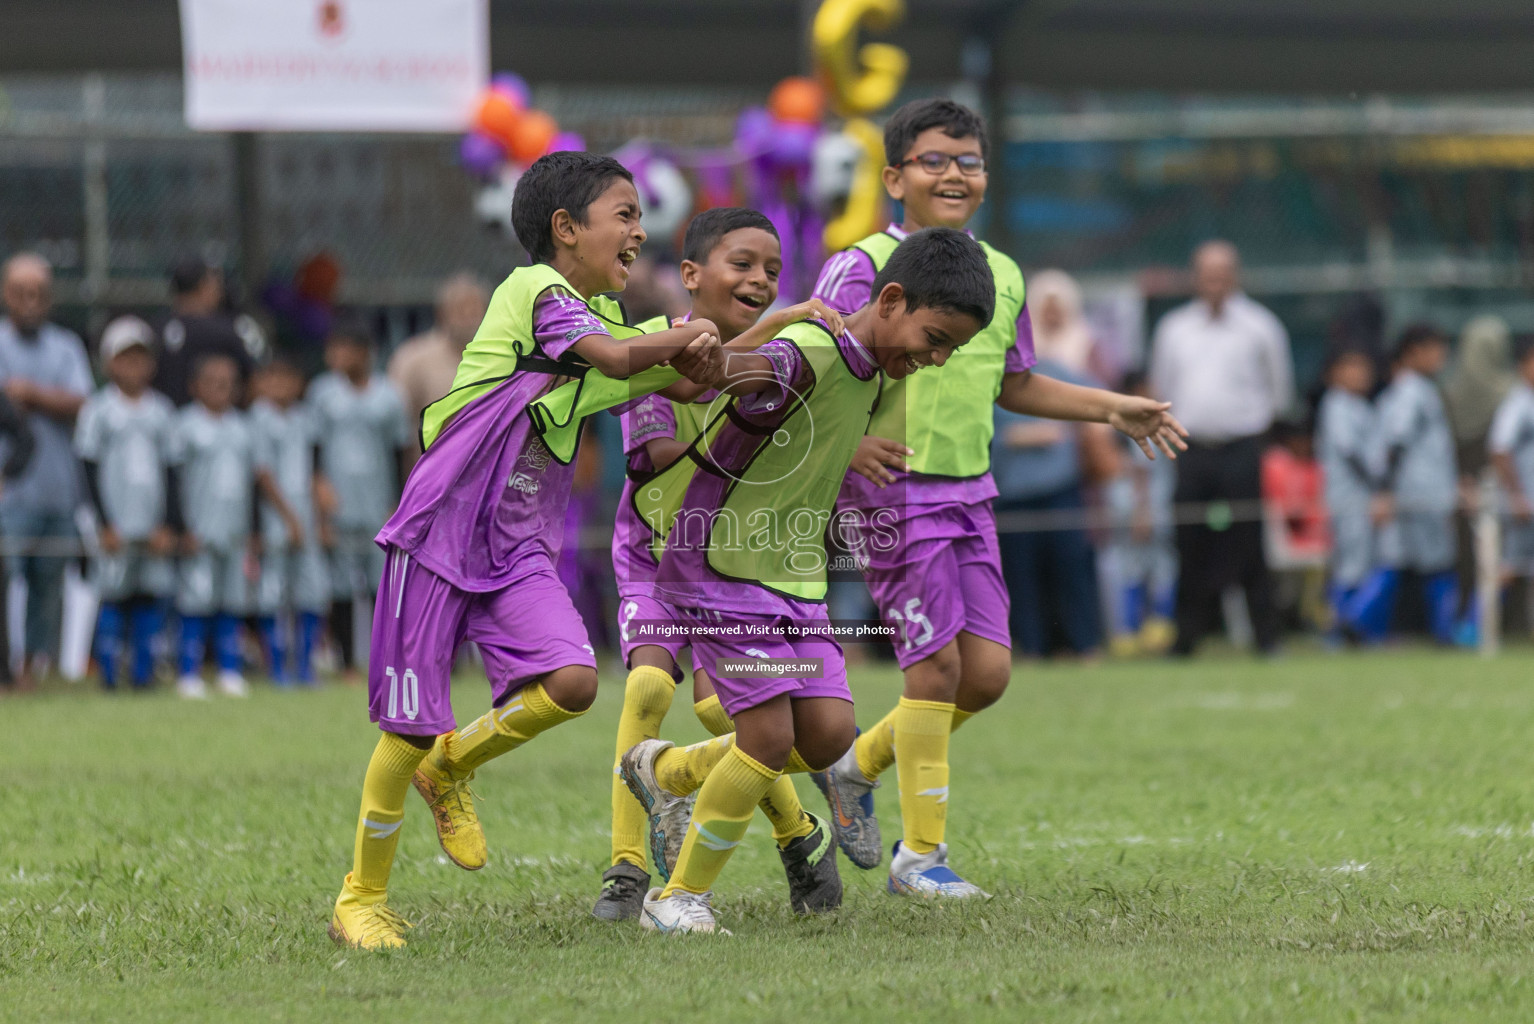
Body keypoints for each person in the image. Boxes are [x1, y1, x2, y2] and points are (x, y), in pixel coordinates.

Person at [326, 151, 723, 951]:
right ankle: (358, 899)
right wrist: (683, 334)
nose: (640, 231)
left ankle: (453, 766)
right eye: (626, 214)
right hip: (438, 532)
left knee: (575, 681)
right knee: (406, 729)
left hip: (513, 549)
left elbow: (685, 382)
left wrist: (792, 336)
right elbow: (626, 360)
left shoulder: (597, 336)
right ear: (566, 229)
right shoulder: (536, 292)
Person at [806, 99, 1185, 898]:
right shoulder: (858, 263)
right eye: (935, 160)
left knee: (987, 675)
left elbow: (1014, 382)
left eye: (968, 161)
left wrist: (1110, 406)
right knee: (935, 667)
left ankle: (856, 765)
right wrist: (845, 450)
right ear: (894, 177)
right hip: (889, 495)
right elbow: (816, 368)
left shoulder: (1001, 273)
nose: (953, 174)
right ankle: (921, 859)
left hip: (972, 493)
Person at [618, 227, 996, 935]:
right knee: (764, 738)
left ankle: (667, 771)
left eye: (952, 349)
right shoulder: (805, 354)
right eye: (935, 337)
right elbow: (704, 375)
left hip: (790, 580)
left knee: (825, 737)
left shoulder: (877, 372)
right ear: (889, 298)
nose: (937, 357)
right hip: (717, 568)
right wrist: (771, 326)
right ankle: (675, 899)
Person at [596, 208, 845, 922]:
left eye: (772, 270)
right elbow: (671, 445)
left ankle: (791, 829)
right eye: (742, 264)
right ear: (692, 275)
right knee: (648, 686)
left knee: (719, 709)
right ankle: (627, 869)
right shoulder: (656, 345)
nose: (760, 280)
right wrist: (776, 332)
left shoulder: (794, 361)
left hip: (738, 564)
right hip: (656, 554)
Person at [1150, 240, 1293, 657]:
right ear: (1195, 278)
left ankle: (1266, 637)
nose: (1214, 282)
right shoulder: (1174, 329)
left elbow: (1278, 392)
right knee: (1189, 541)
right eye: (1206, 274)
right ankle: (1187, 637)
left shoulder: (1261, 326)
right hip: (1190, 449)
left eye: (1221, 273)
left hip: (1242, 448)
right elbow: (1163, 387)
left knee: (1250, 542)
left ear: (1235, 275)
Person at [173, 354, 297, 699]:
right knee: (195, 602)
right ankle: (189, 674)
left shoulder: (243, 429)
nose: (221, 389)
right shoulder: (185, 426)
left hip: (236, 531)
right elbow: (174, 479)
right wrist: (180, 525)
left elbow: (254, 483)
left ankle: (230, 671)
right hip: (199, 529)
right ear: (195, 386)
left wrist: (255, 530)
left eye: (228, 383)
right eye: (212, 381)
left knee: (232, 602)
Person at [0, 252, 94, 688]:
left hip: (58, 489)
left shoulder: (66, 346)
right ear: (6, 295)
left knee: (50, 588)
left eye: (38, 293)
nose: (29, 301)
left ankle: (43, 669)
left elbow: (82, 404)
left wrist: (32, 395)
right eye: (20, 292)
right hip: (8, 493)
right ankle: (8, 670)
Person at [75, 316, 178, 691]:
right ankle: (107, 674)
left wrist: (168, 523)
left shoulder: (162, 411)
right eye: (124, 358)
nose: (134, 367)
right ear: (108, 363)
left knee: (148, 596)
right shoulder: (98, 410)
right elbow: (87, 468)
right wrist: (103, 524)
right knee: (113, 596)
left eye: (141, 358)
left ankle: (142, 674)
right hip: (114, 525)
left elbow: (171, 470)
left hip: (151, 526)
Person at [991, 356, 1115, 659]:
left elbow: (1098, 401)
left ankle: (1086, 646)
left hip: (1061, 490)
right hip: (1011, 494)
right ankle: (1030, 648)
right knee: (1020, 578)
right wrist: (1010, 437)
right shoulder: (984, 371)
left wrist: (1089, 430)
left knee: (1074, 570)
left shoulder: (1054, 368)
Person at [309, 320, 409, 678]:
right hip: (338, 504)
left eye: (345, 349)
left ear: (365, 353)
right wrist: (318, 485)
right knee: (340, 586)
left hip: (377, 502)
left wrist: (398, 501)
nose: (337, 357)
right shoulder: (323, 394)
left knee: (380, 586)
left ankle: (386, 661)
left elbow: (400, 451)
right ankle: (346, 662)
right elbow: (314, 446)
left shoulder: (389, 396)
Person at [1367, 325, 1462, 643]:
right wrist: (1384, 492)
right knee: (1437, 563)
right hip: (1420, 495)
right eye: (1435, 349)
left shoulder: (1415, 388)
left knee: (1403, 559)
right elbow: (1396, 443)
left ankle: (1357, 623)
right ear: (1413, 352)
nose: (1441, 357)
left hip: (1422, 491)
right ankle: (1445, 632)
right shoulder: (1411, 390)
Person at [250, 359, 327, 686]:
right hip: (276, 520)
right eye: (273, 377)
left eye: (289, 377)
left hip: (306, 518)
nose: (281, 385)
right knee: (273, 591)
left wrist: (319, 517)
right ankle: (278, 667)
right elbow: (262, 475)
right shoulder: (259, 419)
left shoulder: (304, 419)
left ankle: (305, 665)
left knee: (313, 590)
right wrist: (290, 518)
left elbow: (312, 470)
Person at [1099, 371, 1178, 656]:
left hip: (1148, 510)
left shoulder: (1129, 421)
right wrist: (1142, 513)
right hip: (1137, 511)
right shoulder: (1131, 422)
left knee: (1154, 568)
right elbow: (1139, 473)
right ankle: (1131, 634)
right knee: (1137, 569)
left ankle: (1147, 633)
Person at [1315, 347, 1386, 641]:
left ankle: (1355, 630)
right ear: (1334, 374)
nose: (1361, 374)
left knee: (1363, 564)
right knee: (1351, 565)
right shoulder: (1336, 403)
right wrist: (1378, 490)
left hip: (1362, 497)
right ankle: (1338, 632)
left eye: (1364, 367)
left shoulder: (1361, 405)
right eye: (1352, 367)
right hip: (1349, 497)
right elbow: (1351, 452)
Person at [386, 273, 489, 468]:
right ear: (442, 313)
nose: (468, 317)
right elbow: (396, 429)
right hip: (429, 476)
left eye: (474, 309)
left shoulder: (501, 361)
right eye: (460, 309)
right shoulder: (413, 359)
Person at [155, 258, 259, 407]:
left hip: (165, 416)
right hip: (219, 419)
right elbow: (254, 379)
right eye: (214, 282)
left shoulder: (157, 326)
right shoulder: (228, 328)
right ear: (203, 286)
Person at [1489, 336, 1534, 623]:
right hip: (1523, 504)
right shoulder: (1517, 402)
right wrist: (1516, 495)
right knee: (1507, 569)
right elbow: (1499, 449)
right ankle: (1474, 626)